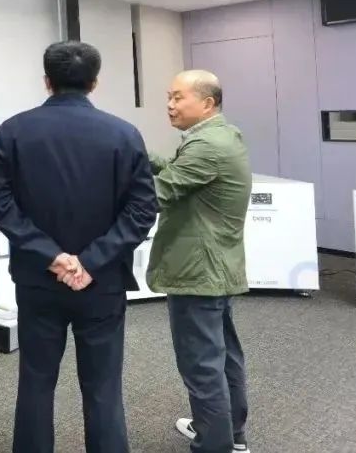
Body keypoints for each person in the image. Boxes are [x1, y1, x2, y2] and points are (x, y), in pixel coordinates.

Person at [0, 40, 157, 453]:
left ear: (47, 81)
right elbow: (142, 209)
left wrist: (51, 256)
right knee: (103, 388)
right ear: (94, 82)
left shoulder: (14, 130)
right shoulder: (124, 134)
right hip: (102, 283)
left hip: (37, 280)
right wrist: (91, 261)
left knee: (36, 382)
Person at [147, 70, 251, 453]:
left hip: (198, 272)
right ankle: (229, 433)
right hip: (215, 266)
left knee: (202, 364)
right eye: (168, 97)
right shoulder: (218, 136)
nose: (170, 105)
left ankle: (215, 444)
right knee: (222, 356)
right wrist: (136, 153)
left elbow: (157, 194)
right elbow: (176, 172)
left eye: (178, 97)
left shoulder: (206, 146)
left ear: (207, 103)